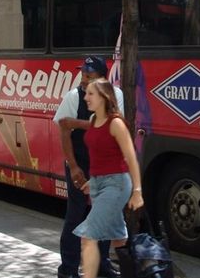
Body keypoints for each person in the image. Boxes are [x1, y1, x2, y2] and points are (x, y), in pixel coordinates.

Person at [53, 56, 123, 278]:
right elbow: (64, 131)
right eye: (82, 74)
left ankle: (102, 264)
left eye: (89, 76)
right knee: (76, 214)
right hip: (80, 164)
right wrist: (73, 167)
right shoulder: (74, 97)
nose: (83, 80)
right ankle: (68, 269)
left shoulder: (117, 95)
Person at [74, 78, 143, 278]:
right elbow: (99, 154)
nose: (85, 97)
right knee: (118, 240)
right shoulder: (94, 120)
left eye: (90, 94)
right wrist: (92, 181)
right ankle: (133, 274)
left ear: (104, 97)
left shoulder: (116, 124)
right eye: (85, 93)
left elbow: (131, 158)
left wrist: (137, 191)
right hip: (98, 184)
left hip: (117, 184)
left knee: (88, 238)